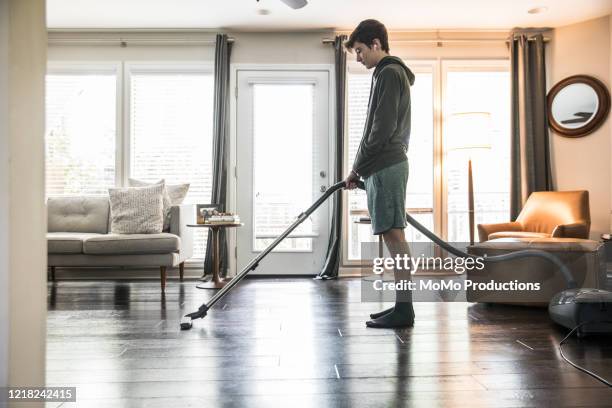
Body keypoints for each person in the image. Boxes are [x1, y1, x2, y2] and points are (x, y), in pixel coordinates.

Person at [343, 19, 416, 328]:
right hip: (383, 165)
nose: (358, 58)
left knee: (394, 235)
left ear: (375, 44)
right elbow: (376, 130)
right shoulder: (388, 74)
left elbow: (379, 130)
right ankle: (402, 306)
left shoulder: (388, 72)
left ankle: (404, 309)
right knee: (392, 233)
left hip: (386, 164)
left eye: (359, 51)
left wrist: (357, 167)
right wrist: (361, 170)